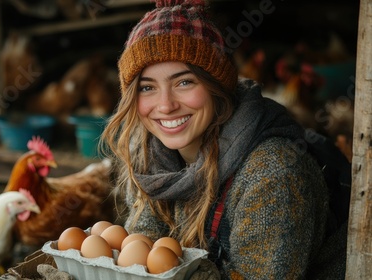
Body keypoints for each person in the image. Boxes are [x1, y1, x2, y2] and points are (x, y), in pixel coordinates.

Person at [101, 0, 347, 279]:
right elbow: (145, 249)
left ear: (217, 87)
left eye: (184, 82)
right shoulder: (150, 154)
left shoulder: (271, 173)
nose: (166, 105)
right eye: (147, 87)